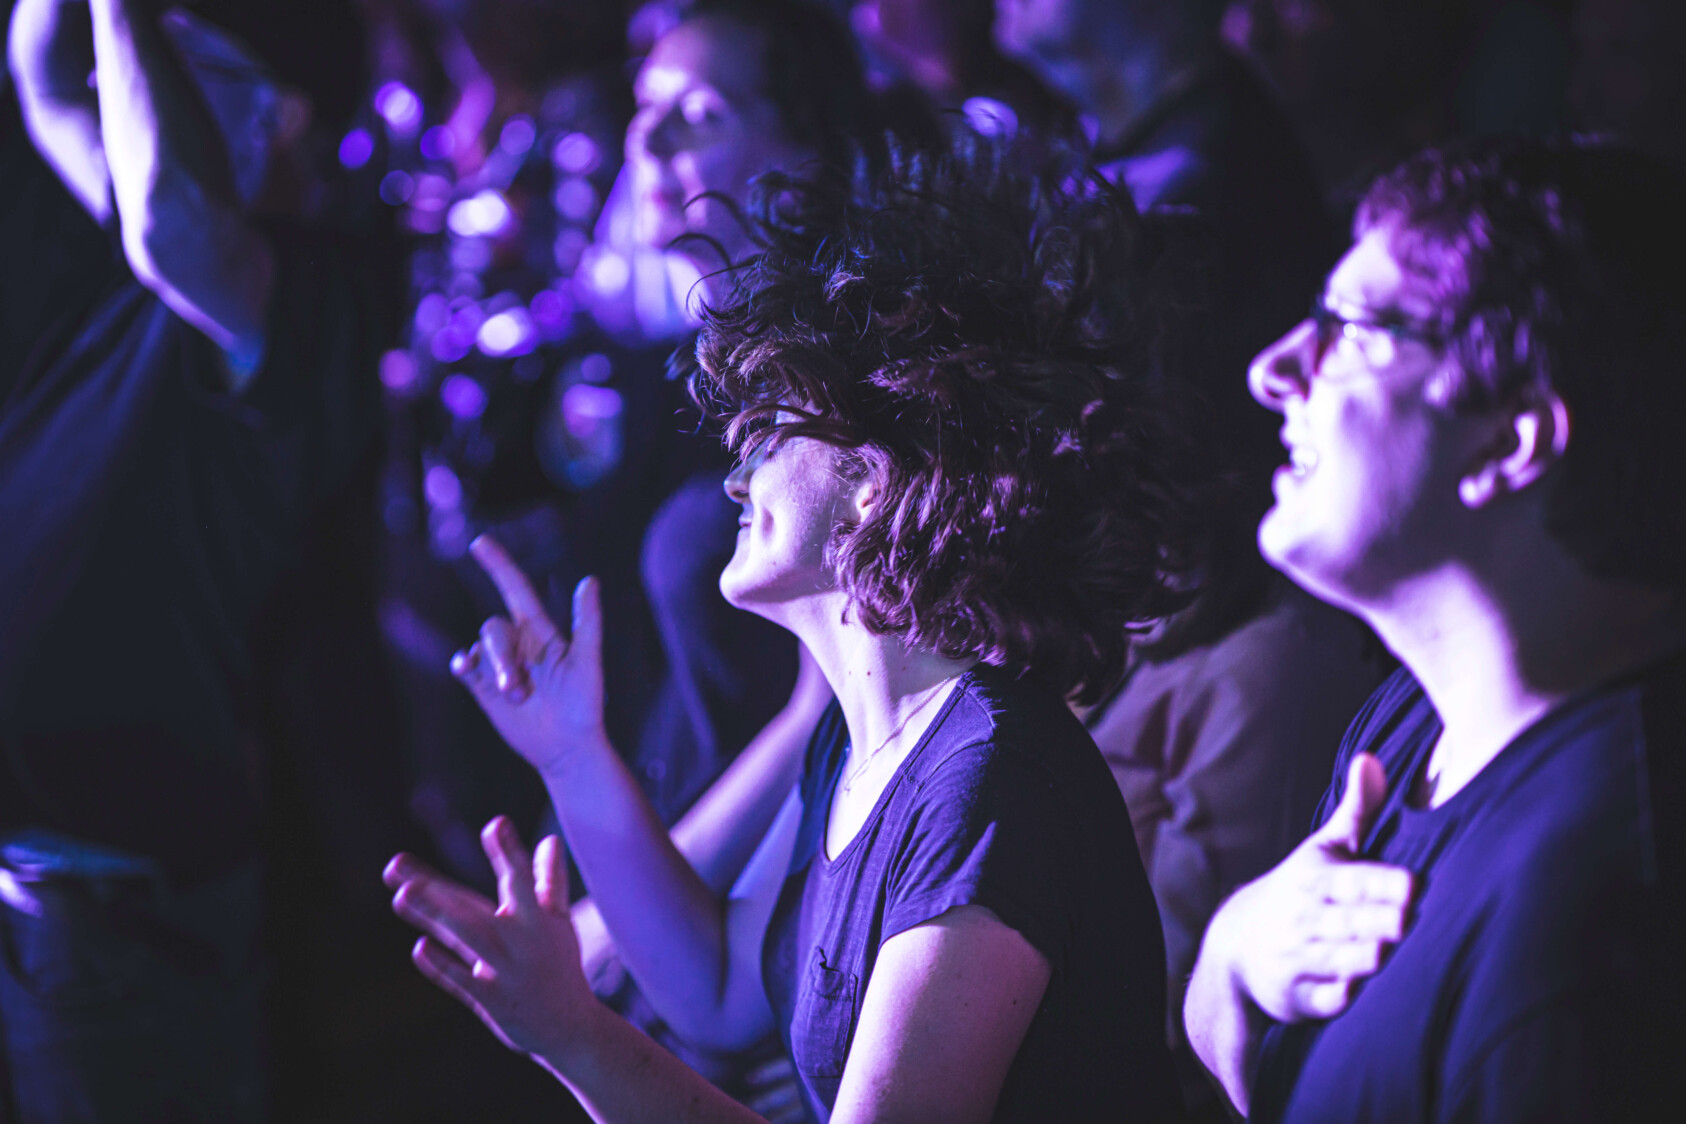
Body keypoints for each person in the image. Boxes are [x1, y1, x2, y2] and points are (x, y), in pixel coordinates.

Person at [383, 145, 1204, 1121]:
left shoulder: (987, 784)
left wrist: (573, 1032)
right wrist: (571, 751)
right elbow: (719, 987)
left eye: (769, 440)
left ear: (872, 481)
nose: (736, 481)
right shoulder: (860, 747)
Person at [1185, 137, 1686, 1122]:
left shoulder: (1591, 918)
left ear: (1511, 436)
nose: (1275, 368)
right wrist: (1229, 955)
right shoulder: (1411, 718)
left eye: (1356, 330)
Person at [1, 0, 382, 1120]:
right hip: (45, 874)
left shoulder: (310, 293)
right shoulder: (148, 258)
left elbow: (176, 224)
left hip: (122, 903)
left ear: (276, 115)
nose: (134, 79)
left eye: (178, 54)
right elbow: (48, 81)